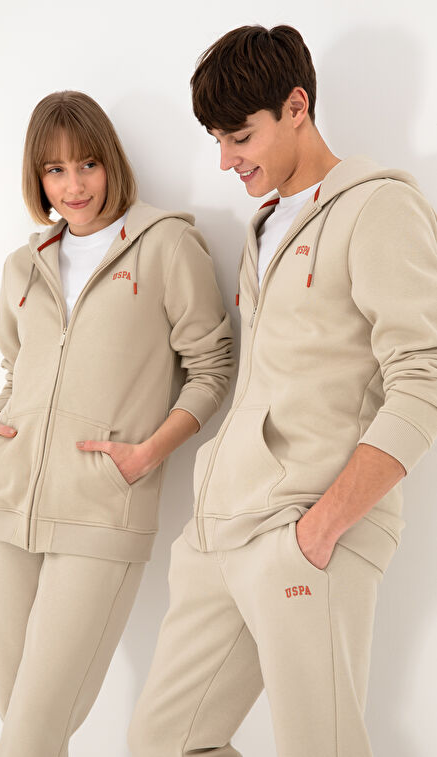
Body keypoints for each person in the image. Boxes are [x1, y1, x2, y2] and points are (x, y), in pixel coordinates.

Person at [128, 24, 437, 757]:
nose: (226, 159)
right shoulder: (265, 227)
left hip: (305, 528)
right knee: (163, 741)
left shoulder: (377, 208)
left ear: (296, 106)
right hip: (221, 527)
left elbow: (422, 375)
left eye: (240, 136)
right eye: (217, 139)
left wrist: (321, 526)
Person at [0, 89, 234, 757]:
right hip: (9, 507)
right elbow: (18, 368)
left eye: (87, 164)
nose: (75, 185)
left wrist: (147, 454)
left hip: (101, 514)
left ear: (111, 162)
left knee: (29, 733)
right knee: (21, 719)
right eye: (55, 170)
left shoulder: (165, 244)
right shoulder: (24, 265)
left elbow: (212, 367)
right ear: (38, 179)